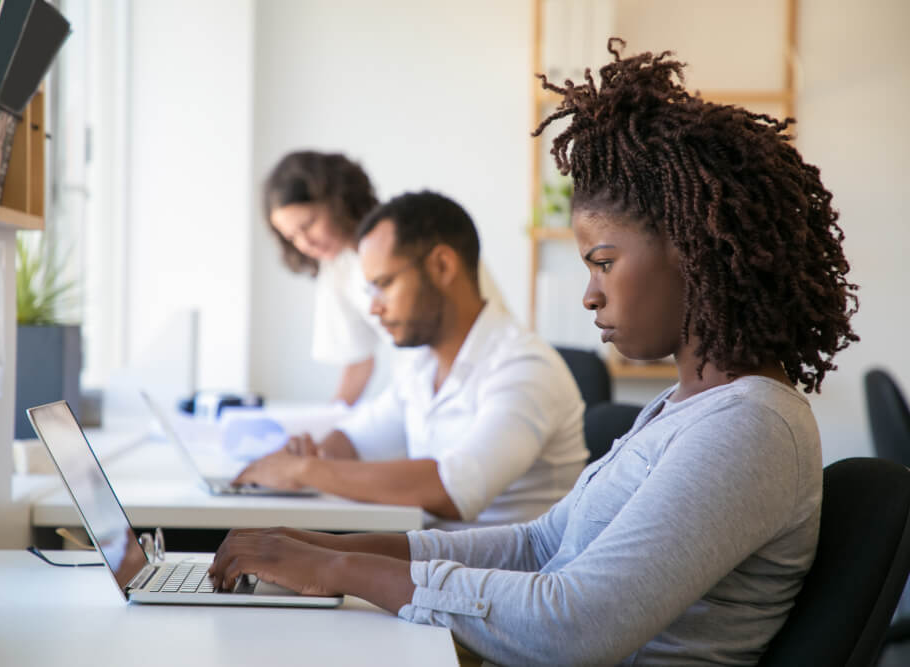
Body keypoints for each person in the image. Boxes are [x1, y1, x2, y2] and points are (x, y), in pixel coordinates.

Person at [209, 39, 860, 666]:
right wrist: (319, 546)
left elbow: (576, 624)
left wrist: (341, 568)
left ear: (695, 251)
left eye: (603, 263)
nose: (589, 295)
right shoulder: (685, 406)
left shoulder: (750, 426)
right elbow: (540, 543)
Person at [236, 191, 589, 529]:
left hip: (505, 583)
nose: (374, 308)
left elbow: (453, 490)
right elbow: (356, 438)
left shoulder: (526, 367)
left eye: (385, 283)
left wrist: (303, 471)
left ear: (442, 265)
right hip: (440, 570)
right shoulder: (420, 365)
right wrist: (310, 454)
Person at [263, 151, 503, 405]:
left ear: (336, 202)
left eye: (308, 224)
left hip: (478, 379)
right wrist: (332, 421)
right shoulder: (337, 269)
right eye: (291, 237)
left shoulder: (413, 237)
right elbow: (357, 359)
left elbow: (479, 322)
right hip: (422, 392)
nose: (304, 243)